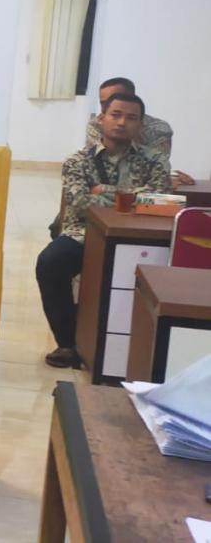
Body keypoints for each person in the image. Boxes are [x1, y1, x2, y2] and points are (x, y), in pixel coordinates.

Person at [36, 93, 170, 369]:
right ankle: (68, 343)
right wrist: (131, 197)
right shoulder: (77, 161)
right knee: (50, 262)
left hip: (138, 236)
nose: (121, 122)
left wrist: (103, 191)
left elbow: (158, 200)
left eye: (131, 118)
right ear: (102, 119)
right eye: (115, 115)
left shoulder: (155, 161)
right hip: (84, 234)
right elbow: (80, 202)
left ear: (140, 125)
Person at [82, 78, 175, 173]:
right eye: (103, 103)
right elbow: (95, 165)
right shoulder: (96, 124)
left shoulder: (159, 129)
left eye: (115, 99)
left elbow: (156, 168)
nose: (108, 107)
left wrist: (134, 134)